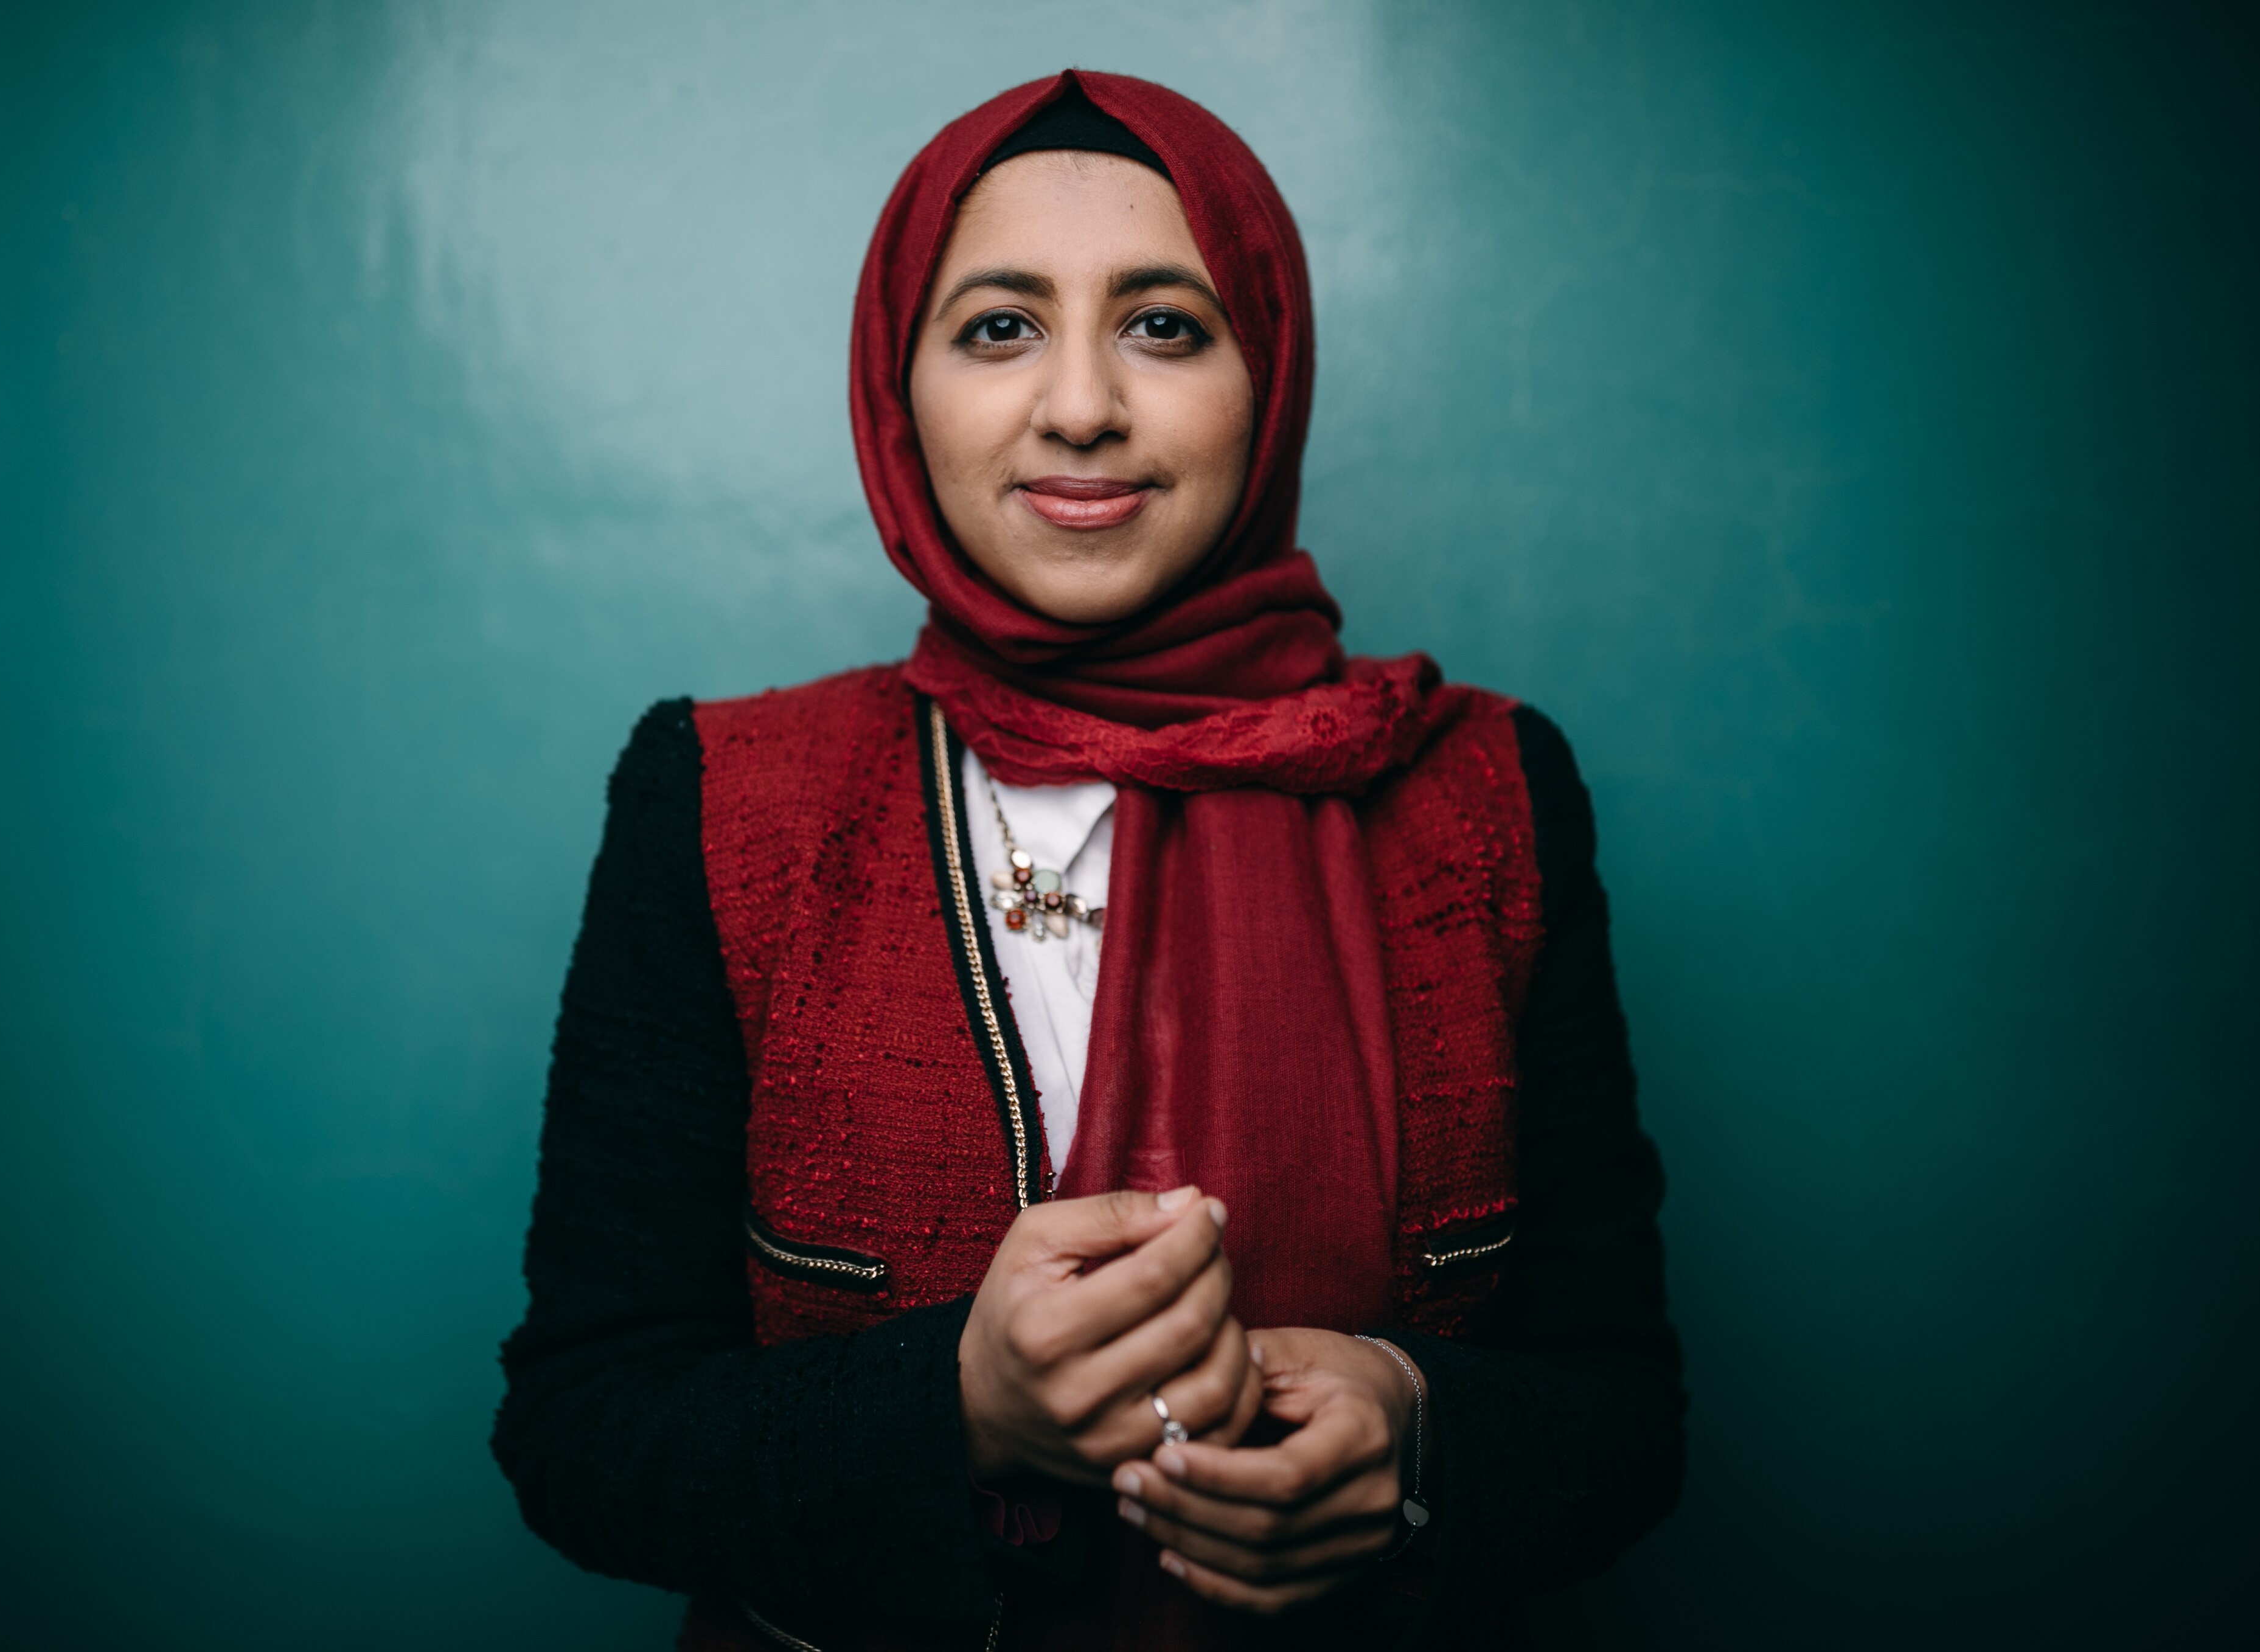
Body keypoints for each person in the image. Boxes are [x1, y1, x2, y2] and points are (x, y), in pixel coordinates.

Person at [493, 69, 1682, 1651]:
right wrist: (959, 1409)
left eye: (1164, 324)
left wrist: (1416, 1437)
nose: (1077, 406)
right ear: (894, 386)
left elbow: (1624, 1410)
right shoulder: (726, 797)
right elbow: (583, 1433)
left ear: (1269, 369)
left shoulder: (1484, 796)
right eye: (996, 326)